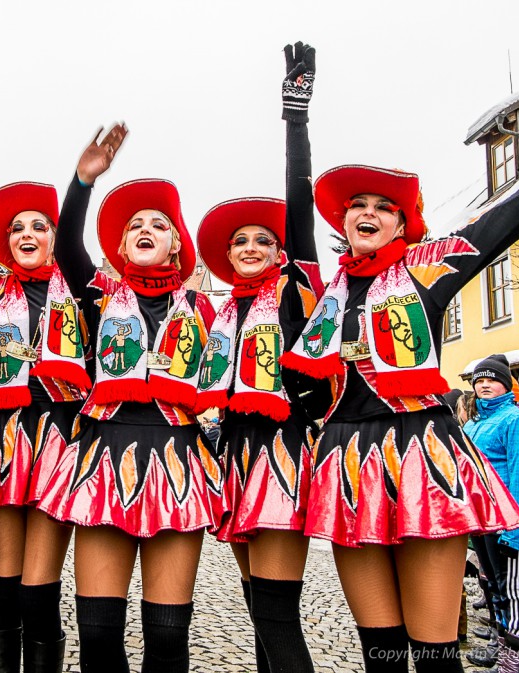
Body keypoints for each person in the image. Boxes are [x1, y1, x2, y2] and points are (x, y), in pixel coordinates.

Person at [281, 150, 519, 671]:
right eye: (357, 204)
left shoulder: (426, 269)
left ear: (404, 224)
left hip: (422, 457)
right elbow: (296, 219)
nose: (369, 212)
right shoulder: (324, 295)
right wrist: (295, 113)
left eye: (385, 207)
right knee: (380, 654)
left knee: (433, 656)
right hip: (347, 460)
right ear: (341, 222)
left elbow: (510, 213)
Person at [39, 124, 220, 673]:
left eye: (158, 224)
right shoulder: (98, 297)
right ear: (119, 248)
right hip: (102, 454)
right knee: (98, 634)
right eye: (135, 225)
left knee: (167, 636)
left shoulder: (207, 311)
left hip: (178, 457)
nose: (145, 229)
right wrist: (82, 180)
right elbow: (68, 247)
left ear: (177, 245)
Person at [194, 42, 326, 673]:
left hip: (283, 450)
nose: (250, 246)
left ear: (282, 251)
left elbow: (299, 208)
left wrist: (294, 117)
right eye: (240, 240)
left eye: (263, 240)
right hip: (236, 457)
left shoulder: (298, 290)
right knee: (258, 613)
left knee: (277, 614)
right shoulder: (224, 312)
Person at [0, 180, 91, 672]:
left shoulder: (83, 291)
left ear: (58, 238)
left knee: (39, 589)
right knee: (3, 584)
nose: (27, 234)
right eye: (17, 228)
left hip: (61, 436)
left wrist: (82, 182)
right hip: (3, 437)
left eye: (39, 226)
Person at [463, 355, 519, 671]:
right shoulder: (473, 423)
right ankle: (500, 645)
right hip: (482, 521)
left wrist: (517, 531)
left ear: (506, 384)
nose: (484, 384)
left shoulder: (516, 421)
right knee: (494, 586)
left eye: (491, 379)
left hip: (508, 523)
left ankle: (518, 659)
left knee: (514, 590)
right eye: (479, 380)